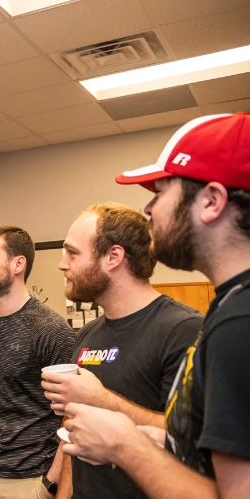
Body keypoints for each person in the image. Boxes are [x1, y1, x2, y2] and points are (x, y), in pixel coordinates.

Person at [62, 112, 250, 498]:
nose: (148, 210)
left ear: (212, 201)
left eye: (161, 192)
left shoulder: (239, 321)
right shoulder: (228, 307)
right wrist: (164, 442)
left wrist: (125, 446)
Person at [41, 203, 201, 499]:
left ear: (113, 256)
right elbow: (74, 429)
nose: (62, 264)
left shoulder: (184, 330)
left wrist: (100, 399)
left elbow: (189, 438)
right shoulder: (88, 332)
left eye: (72, 253)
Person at [0, 226, 75, 499]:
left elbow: (73, 413)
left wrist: (51, 482)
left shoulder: (49, 329)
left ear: (18, 264)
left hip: (26, 479)